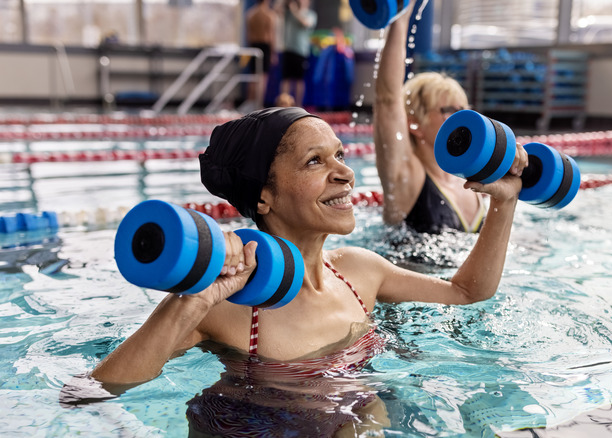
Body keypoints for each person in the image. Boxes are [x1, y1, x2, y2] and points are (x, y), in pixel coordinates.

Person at [66, 107, 528, 434]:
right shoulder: (228, 301)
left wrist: (504, 203)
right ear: (264, 197)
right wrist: (196, 297)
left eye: (340, 155)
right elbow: (93, 391)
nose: (344, 173)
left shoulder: (360, 271)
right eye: (315, 161)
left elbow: (467, 291)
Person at [373, 3, 488, 234]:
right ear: (413, 123)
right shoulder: (406, 178)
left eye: (464, 110)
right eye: (449, 111)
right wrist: (400, 19)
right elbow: (387, 100)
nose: (462, 119)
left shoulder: (474, 185)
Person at [278, 0, 317, 107]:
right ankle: (283, 106)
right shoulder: (289, 12)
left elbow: (305, 23)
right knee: (286, 79)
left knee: (299, 80)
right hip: (288, 49)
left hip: (301, 52)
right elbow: (277, 10)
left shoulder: (311, 15)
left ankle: (298, 106)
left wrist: (294, 11)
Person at [243, 0, 278, 110]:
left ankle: (250, 102)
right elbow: (271, 35)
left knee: (254, 76)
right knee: (263, 78)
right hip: (265, 46)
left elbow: (248, 35)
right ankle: (259, 104)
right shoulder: (269, 14)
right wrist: (273, 53)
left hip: (253, 46)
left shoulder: (250, 13)